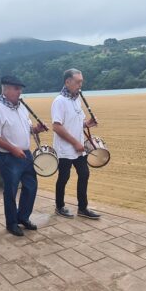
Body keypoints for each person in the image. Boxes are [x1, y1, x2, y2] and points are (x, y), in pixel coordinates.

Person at [0, 76, 46, 236]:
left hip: (25, 154)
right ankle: (11, 223)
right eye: (16, 88)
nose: (20, 92)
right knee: (11, 190)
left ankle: (23, 217)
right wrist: (13, 149)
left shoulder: (22, 107)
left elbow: (27, 129)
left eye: (20, 89)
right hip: (9, 157)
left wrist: (37, 129)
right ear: (5, 89)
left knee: (31, 187)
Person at [52, 68, 100, 220]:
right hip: (65, 148)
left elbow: (77, 123)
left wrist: (88, 124)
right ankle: (59, 206)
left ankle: (82, 208)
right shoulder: (59, 101)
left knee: (84, 174)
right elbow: (57, 127)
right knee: (64, 177)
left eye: (81, 81)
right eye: (78, 82)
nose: (81, 85)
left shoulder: (77, 99)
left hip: (78, 148)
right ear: (68, 82)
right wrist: (75, 143)